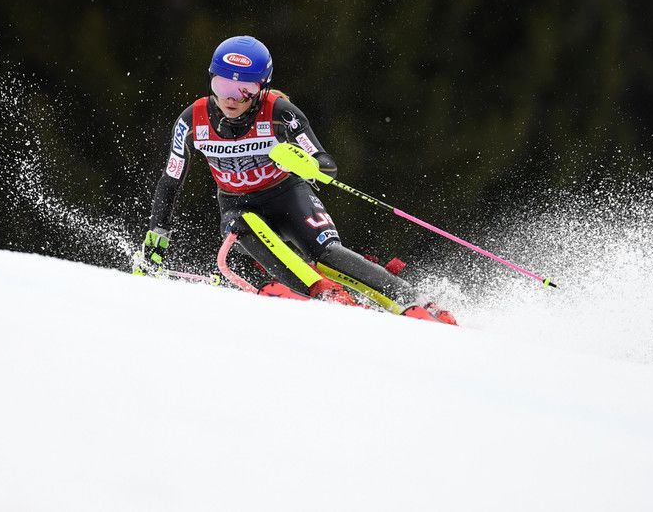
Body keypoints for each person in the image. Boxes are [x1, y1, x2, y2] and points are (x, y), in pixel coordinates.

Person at [133, 35, 454, 324]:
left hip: (288, 195)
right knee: (242, 225)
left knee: (326, 253)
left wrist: (309, 165)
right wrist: (158, 232)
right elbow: (171, 180)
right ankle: (324, 293)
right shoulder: (192, 121)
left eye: (244, 91)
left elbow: (325, 164)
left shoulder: (280, 112)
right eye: (222, 86)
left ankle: (414, 302)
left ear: (262, 89)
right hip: (237, 204)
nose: (231, 99)